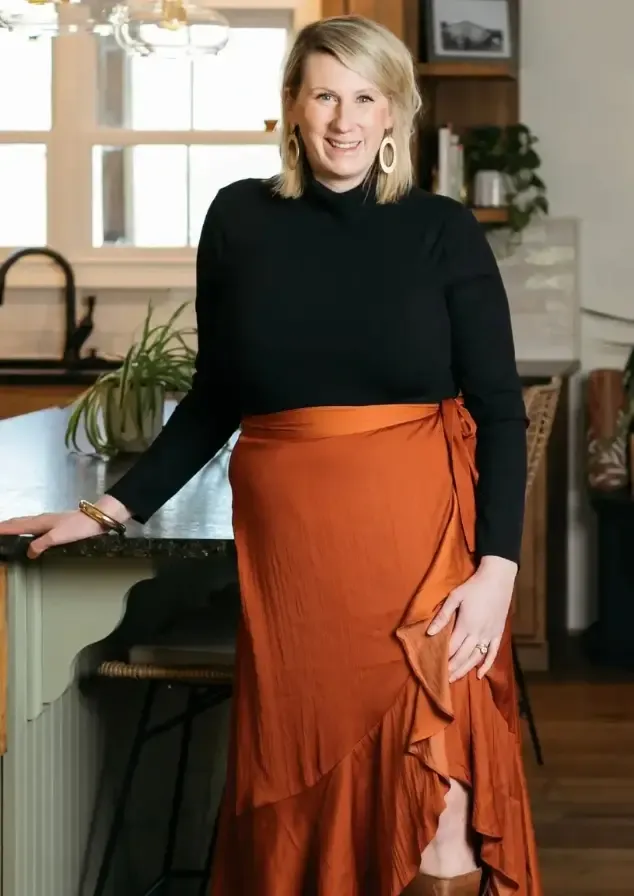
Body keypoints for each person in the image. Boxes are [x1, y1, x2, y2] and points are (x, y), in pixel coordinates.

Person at [0, 14, 541, 896]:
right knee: (303, 777)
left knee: (436, 785)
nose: (344, 119)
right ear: (292, 107)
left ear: (396, 114)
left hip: (420, 549)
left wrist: (499, 569)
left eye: (367, 97)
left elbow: (500, 415)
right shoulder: (239, 219)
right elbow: (216, 397)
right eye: (324, 94)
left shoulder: (443, 229)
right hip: (294, 560)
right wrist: (105, 508)